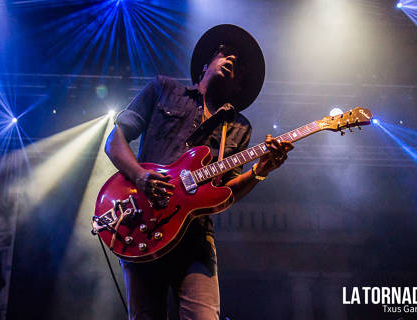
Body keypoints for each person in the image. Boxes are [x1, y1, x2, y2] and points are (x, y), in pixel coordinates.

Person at [105, 24, 293, 320]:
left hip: (195, 237)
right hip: (143, 222)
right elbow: (114, 141)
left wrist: (260, 171)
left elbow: (227, 192)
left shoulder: (240, 127)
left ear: (240, 85)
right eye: (225, 53)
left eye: (240, 65)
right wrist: (141, 177)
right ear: (206, 64)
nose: (232, 60)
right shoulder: (163, 88)